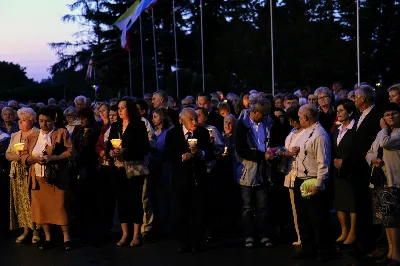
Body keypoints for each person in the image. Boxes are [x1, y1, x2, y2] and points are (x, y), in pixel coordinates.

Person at [20, 106, 73, 251]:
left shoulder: (61, 133)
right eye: (41, 121)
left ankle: (67, 237)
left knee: (60, 207)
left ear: (53, 120)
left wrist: (53, 158)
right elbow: (24, 154)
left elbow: (70, 151)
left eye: (47, 121)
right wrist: (33, 159)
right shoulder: (32, 136)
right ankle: (48, 237)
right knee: (42, 209)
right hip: (38, 177)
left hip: (56, 177)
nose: (44, 124)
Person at [164, 108, 212, 253]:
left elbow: (209, 153)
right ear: (181, 119)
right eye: (191, 119)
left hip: (198, 178)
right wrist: (181, 157)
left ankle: (197, 242)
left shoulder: (202, 133)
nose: (194, 122)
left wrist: (199, 153)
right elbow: (167, 154)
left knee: (198, 211)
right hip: (180, 179)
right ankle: (183, 241)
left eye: (196, 118)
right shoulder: (173, 134)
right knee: (181, 212)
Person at [107, 99, 150, 247]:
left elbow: (144, 147)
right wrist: (111, 151)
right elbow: (108, 145)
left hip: (133, 168)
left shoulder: (139, 125)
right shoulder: (115, 126)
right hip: (117, 168)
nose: (120, 111)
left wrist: (127, 150)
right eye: (118, 108)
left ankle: (137, 234)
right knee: (121, 201)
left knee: (134, 200)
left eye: (123, 108)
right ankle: (125, 233)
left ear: (130, 109)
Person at [292, 104, 332, 261]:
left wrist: (318, 184)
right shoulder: (304, 133)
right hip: (300, 178)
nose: (299, 119)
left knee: (317, 217)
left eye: (300, 116)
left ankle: (323, 250)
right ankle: (307, 248)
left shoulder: (320, 135)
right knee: (303, 217)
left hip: (313, 179)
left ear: (307, 117)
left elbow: (324, 162)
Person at [234, 98, 274, 248]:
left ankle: (264, 234)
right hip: (246, 170)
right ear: (255, 112)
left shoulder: (267, 123)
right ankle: (249, 235)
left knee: (263, 205)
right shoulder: (242, 125)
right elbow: (241, 149)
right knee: (247, 206)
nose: (265, 117)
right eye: (263, 114)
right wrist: (261, 155)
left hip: (263, 168)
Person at [366, 103, 400, 265]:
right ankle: (390, 251)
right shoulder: (382, 132)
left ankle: (397, 254)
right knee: (386, 220)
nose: (390, 117)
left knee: (394, 220)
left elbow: (386, 143)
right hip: (381, 180)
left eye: (394, 114)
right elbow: (370, 152)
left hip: (395, 181)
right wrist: (373, 159)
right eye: (387, 114)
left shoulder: (394, 133)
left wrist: (384, 128)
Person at [353, 85, 382, 257]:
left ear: (363, 99)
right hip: (358, 168)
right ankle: (362, 243)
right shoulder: (359, 115)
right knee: (362, 207)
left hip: (370, 169)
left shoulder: (376, 115)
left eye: (356, 96)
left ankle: (371, 244)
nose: (354, 99)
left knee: (369, 208)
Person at [6, 108, 40, 244]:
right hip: (17, 174)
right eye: (19, 119)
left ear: (31, 121)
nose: (20, 122)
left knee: (33, 201)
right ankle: (26, 230)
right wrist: (16, 156)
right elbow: (8, 154)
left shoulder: (37, 133)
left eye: (24, 120)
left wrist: (26, 158)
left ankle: (37, 231)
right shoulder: (15, 135)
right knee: (21, 202)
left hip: (31, 171)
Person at [331, 100, 357, 248]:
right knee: (340, 201)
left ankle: (353, 232)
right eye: (337, 110)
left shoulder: (355, 129)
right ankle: (344, 230)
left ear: (350, 112)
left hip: (351, 170)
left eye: (341, 110)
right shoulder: (336, 128)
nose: (338, 113)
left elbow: (357, 149)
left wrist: (345, 161)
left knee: (351, 202)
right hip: (338, 170)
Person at [278, 105, 304, 246]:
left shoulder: (306, 132)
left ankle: (305, 236)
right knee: (294, 207)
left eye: (293, 120)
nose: (291, 123)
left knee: (302, 207)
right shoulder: (292, 132)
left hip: (301, 172)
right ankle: (299, 235)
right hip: (290, 172)